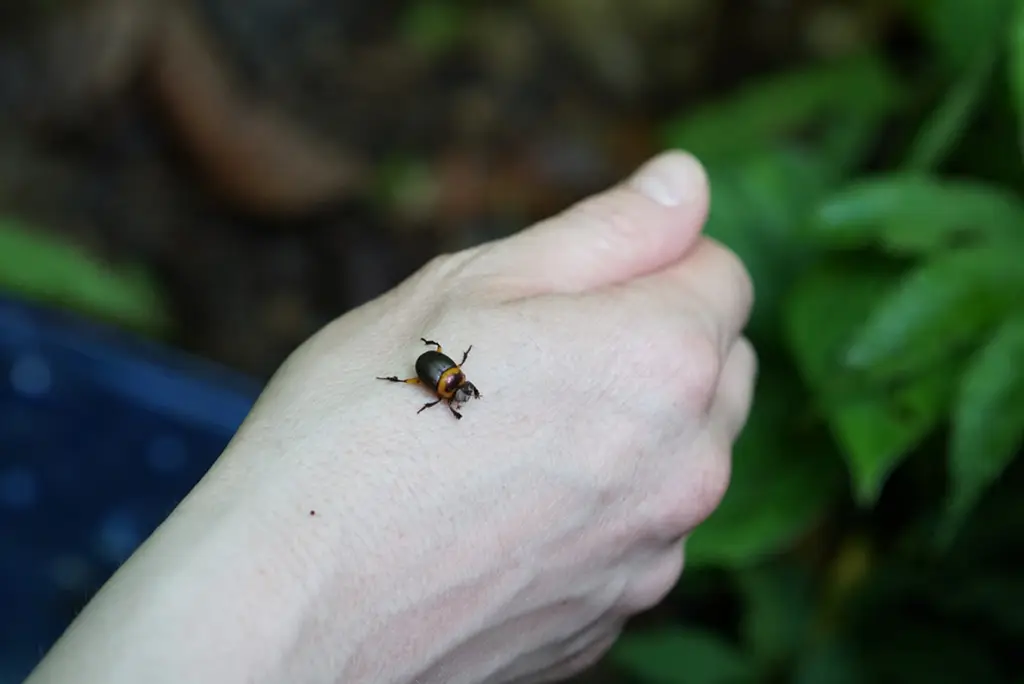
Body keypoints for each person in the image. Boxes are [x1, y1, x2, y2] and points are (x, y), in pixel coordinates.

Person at [24, 150, 756, 684]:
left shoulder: (451, 381)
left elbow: (441, 374)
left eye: (460, 393)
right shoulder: (439, 382)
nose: (461, 396)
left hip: (431, 364)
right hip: (425, 368)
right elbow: (431, 376)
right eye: (459, 394)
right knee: (416, 372)